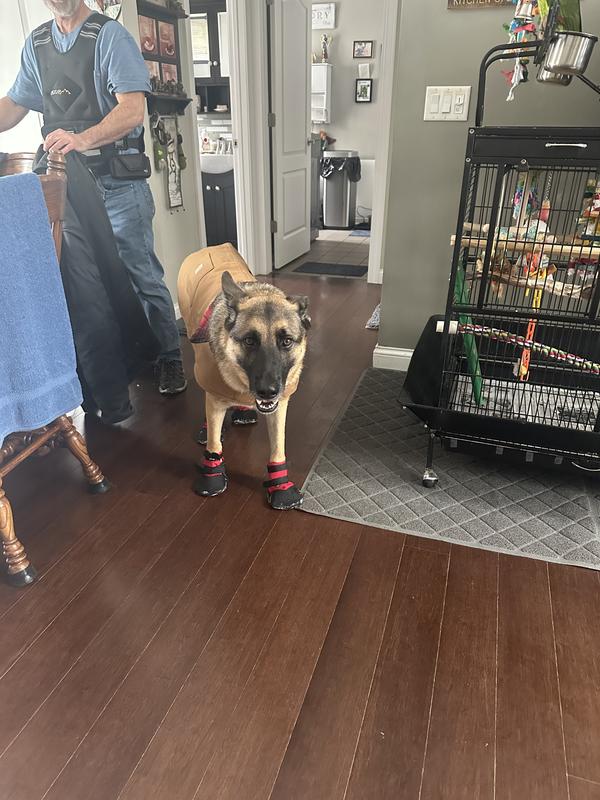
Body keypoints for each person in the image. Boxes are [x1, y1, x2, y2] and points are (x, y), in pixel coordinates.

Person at [0, 0, 187, 398]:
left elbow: (132, 110)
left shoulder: (110, 37)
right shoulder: (37, 44)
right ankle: (120, 364)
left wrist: (81, 139)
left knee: (140, 272)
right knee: (89, 280)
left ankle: (169, 354)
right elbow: (15, 104)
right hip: (69, 189)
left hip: (118, 184)